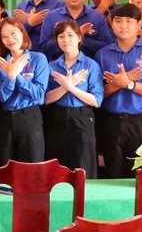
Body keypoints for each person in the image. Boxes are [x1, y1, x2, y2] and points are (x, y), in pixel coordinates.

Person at [96, 3, 142, 178]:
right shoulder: (102, 54)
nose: (123, 26)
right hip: (111, 123)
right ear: (111, 24)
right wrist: (118, 83)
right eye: (118, 21)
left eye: (129, 21)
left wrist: (130, 84)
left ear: (139, 24)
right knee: (112, 174)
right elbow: (98, 95)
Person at [44, 20, 103, 178]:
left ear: (79, 38)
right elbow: (46, 99)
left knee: (83, 164)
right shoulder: (51, 66)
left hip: (83, 117)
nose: (66, 40)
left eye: (70, 35)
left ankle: (84, 201)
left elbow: (97, 101)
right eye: (61, 36)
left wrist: (71, 87)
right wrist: (66, 86)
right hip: (57, 116)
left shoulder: (91, 65)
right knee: (57, 164)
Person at [0, 17, 49, 165]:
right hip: (5, 118)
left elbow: (38, 94)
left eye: (13, 33)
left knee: (32, 165)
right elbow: (1, 96)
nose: (9, 39)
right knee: (6, 167)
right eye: (4, 36)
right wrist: (10, 77)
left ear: (22, 33)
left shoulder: (38, 59)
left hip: (30, 116)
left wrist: (15, 75)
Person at [39, 0, 111, 61]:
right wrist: (73, 35)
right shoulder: (51, 16)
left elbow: (106, 47)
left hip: (89, 70)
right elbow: (44, 48)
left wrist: (80, 38)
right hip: (58, 70)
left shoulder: (98, 18)